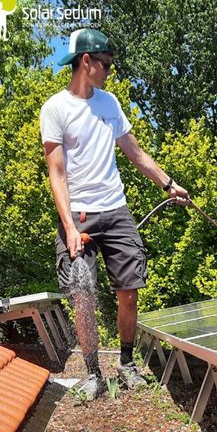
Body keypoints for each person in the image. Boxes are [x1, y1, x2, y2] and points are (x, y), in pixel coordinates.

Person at [40, 28, 189, 400]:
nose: (109, 70)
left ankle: (125, 364)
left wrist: (169, 184)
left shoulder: (110, 104)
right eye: (105, 64)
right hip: (80, 215)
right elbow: (56, 173)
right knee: (83, 294)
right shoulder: (55, 109)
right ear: (86, 62)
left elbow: (135, 154)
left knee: (129, 292)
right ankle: (92, 373)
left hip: (116, 209)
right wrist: (70, 227)